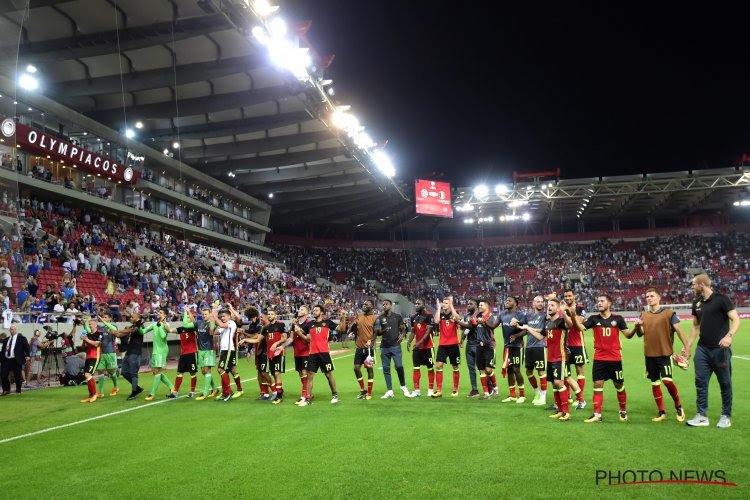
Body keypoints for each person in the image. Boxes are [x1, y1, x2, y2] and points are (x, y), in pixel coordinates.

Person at [686, 274, 740, 428]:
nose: (692, 288)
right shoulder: (696, 303)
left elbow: (736, 319)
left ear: (702, 284)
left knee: (725, 383)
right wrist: (688, 345)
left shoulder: (722, 299)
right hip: (702, 349)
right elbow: (695, 326)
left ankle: (725, 416)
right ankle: (702, 416)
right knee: (700, 383)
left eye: (693, 285)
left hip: (720, 350)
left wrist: (729, 336)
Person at [572, 295, 633, 423]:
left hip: (615, 358)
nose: (599, 303)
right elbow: (580, 328)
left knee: (619, 385)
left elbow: (628, 335)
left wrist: (637, 328)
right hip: (599, 358)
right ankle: (597, 415)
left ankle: (622, 411)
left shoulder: (618, 319)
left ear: (609, 303)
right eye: (598, 301)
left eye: (602, 301)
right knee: (597, 384)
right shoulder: (594, 319)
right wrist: (573, 316)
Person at [631, 288, 688, 423]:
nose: (649, 298)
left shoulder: (669, 314)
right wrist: (638, 326)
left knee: (667, 381)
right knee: (655, 383)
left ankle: (678, 407)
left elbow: (679, 330)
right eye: (647, 296)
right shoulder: (643, 315)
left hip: (664, 354)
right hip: (649, 355)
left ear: (658, 298)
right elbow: (640, 334)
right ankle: (661, 412)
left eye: (652, 296)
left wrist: (686, 346)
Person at [295, 304, 340, 406]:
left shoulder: (327, 322)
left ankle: (334, 394)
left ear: (321, 312)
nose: (314, 312)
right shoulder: (310, 324)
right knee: (310, 375)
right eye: (313, 310)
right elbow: (302, 334)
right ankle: (308, 398)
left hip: (324, 353)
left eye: (316, 310)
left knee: (328, 375)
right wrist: (299, 331)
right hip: (312, 354)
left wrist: (343, 317)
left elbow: (341, 329)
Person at [510, 296, 548, 406]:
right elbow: (520, 325)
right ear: (533, 303)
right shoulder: (529, 316)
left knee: (541, 372)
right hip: (529, 347)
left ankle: (543, 397)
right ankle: (538, 393)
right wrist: (514, 322)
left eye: (542, 302)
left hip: (540, 346)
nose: (540, 303)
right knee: (528, 372)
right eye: (538, 301)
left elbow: (545, 329)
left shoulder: (545, 316)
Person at [342, 300, 377, 400]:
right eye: (364, 304)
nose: (364, 305)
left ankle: (369, 393)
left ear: (371, 306)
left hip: (370, 349)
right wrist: (352, 327)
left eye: (366, 304)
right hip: (359, 347)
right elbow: (353, 328)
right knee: (356, 368)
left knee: (369, 369)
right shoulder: (360, 315)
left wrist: (371, 340)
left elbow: (376, 332)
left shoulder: (374, 318)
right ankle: (363, 389)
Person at [141, 308, 178, 401]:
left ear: (165, 315)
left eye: (161, 313)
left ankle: (152, 393)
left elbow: (163, 336)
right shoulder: (154, 324)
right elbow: (143, 332)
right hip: (155, 351)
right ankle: (171, 387)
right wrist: (139, 325)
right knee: (155, 372)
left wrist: (160, 325)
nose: (158, 313)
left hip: (161, 351)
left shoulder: (166, 325)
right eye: (159, 312)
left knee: (157, 371)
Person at [374, 299, 409, 399]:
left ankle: (403, 386)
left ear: (391, 305)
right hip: (384, 347)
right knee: (386, 369)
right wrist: (382, 330)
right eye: (383, 304)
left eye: (386, 304)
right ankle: (390, 391)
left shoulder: (397, 317)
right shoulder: (379, 318)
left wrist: (402, 335)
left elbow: (403, 329)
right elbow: (378, 333)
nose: (384, 306)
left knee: (399, 366)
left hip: (395, 346)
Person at [183, 307, 218, 401]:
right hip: (200, 350)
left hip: (209, 350)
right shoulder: (199, 323)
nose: (204, 316)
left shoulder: (211, 323)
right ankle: (214, 389)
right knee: (203, 371)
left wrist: (213, 319)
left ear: (210, 314)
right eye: (203, 314)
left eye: (206, 314)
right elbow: (187, 323)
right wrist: (187, 311)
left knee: (207, 370)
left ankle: (205, 393)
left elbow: (211, 331)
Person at [279, 305, 311, 405]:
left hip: (306, 352)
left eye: (302, 309)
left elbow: (309, 339)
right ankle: (307, 392)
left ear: (306, 312)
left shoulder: (308, 324)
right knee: (301, 374)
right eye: (299, 309)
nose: (299, 310)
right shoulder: (294, 324)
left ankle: (304, 395)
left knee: (305, 372)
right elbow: (291, 338)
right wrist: (282, 346)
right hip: (297, 352)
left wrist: (299, 331)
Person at [110, 313, 146, 400]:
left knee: (133, 373)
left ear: (138, 318)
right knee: (124, 372)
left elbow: (130, 331)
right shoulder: (133, 325)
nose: (131, 318)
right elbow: (121, 335)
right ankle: (137, 388)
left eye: (133, 317)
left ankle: (134, 392)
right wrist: (113, 332)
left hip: (135, 352)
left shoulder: (140, 325)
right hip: (129, 352)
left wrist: (117, 331)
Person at [432, 296, 461, 397]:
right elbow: (436, 321)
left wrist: (452, 305)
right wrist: (438, 308)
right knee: (439, 365)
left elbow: (457, 318)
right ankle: (439, 390)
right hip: (442, 345)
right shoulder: (440, 314)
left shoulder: (453, 313)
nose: (444, 304)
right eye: (443, 303)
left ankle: (455, 389)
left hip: (453, 344)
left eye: (446, 303)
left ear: (450, 304)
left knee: (455, 366)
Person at [499, 296, 526, 403]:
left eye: (509, 301)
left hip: (517, 347)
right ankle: (513, 395)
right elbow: (492, 325)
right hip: (507, 347)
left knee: (516, 369)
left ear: (515, 303)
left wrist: (516, 335)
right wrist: (484, 323)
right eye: (506, 300)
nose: (507, 302)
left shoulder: (520, 315)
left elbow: (525, 330)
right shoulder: (502, 315)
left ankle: (522, 395)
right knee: (509, 369)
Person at [563, 289, 588, 403]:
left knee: (579, 369)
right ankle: (568, 397)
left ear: (574, 296)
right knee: (565, 372)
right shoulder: (563, 309)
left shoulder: (580, 307)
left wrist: (566, 311)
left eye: (569, 296)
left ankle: (579, 398)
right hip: (565, 345)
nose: (567, 298)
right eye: (565, 296)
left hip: (578, 344)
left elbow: (578, 321)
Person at [406, 299, 435, 397]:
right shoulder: (413, 317)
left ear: (424, 305)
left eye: (419, 303)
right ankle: (416, 390)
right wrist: (409, 341)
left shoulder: (429, 315)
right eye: (416, 303)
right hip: (417, 347)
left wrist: (420, 342)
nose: (416, 305)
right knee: (416, 368)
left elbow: (428, 331)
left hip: (428, 346)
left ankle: (430, 390)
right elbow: (413, 331)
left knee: (430, 368)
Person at [86, 313, 120, 397]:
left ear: (110, 319)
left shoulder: (113, 326)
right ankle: (100, 391)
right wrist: (85, 324)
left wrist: (103, 322)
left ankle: (116, 387)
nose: (103, 319)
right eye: (103, 317)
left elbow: (115, 330)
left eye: (105, 317)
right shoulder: (101, 328)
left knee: (111, 371)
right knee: (100, 371)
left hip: (110, 352)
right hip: (101, 353)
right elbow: (90, 331)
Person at [474, 299, 499, 399]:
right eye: (479, 305)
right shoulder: (478, 316)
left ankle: (495, 389)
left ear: (487, 306)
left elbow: (490, 328)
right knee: (481, 370)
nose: (480, 306)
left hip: (489, 346)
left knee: (489, 370)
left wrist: (484, 322)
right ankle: (486, 393)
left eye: (481, 305)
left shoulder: (491, 317)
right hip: (479, 346)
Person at [213, 307, 239, 401]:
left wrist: (214, 316)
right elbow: (214, 332)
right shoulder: (224, 325)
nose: (222, 318)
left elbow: (221, 324)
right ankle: (225, 392)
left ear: (229, 316)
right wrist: (213, 321)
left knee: (220, 369)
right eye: (221, 317)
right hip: (223, 350)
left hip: (228, 350)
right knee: (223, 371)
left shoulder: (231, 323)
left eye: (224, 316)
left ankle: (228, 391)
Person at [262, 309, 287, 404]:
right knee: (273, 373)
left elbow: (284, 338)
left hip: (279, 353)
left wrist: (276, 343)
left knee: (277, 373)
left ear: (275, 315)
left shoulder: (281, 325)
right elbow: (260, 339)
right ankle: (279, 389)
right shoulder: (266, 328)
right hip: (270, 354)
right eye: (269, 314)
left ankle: (279, 396)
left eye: (272, 314)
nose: (270, 315)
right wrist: (246, 339)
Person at [458, 299, 479, 398]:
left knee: (483, 368)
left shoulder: (479, 315)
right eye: (468, 303)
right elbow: (466, 329)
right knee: (471, 368)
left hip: (479, 344)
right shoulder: (467, 316)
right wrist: (462, 338)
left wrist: (457, 320)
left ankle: (490, 387)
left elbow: (469, 326)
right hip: (469, 344)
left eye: (471, 304)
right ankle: (474, 389)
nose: (468, 305)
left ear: (476, 305)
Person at [174, 316, 199, 398]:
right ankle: (175, 392)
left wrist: (187, 312)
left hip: (192, 353)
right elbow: (169, 330)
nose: (187, 318)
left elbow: (194, 321)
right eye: (186, 317)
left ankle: (192, 392)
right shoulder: (181, 329)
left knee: (192, 373)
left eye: (188, 317)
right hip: (183, 354)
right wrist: (164, 323)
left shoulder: (194, 328)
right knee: (179, 373)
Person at [1, 325, 30, 395]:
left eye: (14, 329)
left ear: (16, 330)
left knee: (17, 376)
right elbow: (3, 350)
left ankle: (18, 390)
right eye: (11, 329)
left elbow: (27, 347)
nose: (13, 330)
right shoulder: (6, 340)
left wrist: (28, 355)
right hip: (7, 360)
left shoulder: (21, 338)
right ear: (9, 330)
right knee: (3, 375)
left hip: (16, 360)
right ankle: (6, 390)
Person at [79, 322, 102, 403]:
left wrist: (86, 339)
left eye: (92, 324)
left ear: (96, 325)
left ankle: (95, 394)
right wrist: (83, 339)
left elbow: (97, 344)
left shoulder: (99, 333)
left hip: (95, 356)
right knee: (87, 376)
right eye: (89, 324)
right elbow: (84, 346)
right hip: (88, 356)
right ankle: (91, 395)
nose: (90, 325)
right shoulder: (88, 334)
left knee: (87, 374)